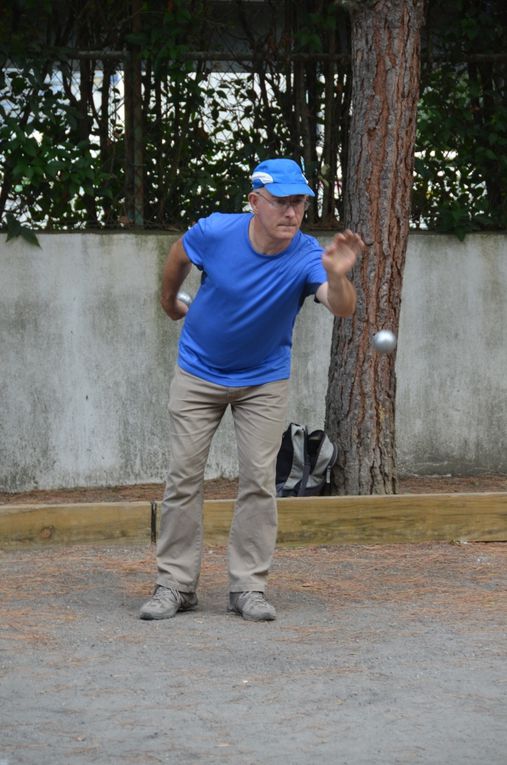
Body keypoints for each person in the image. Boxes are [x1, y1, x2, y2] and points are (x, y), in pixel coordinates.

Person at [140, 158, 364, 622]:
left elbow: (340, 307)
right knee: (183, 477)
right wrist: (168, 301)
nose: (292, 212)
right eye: (281, 201)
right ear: (254, 202)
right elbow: (180, 253)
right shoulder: (217, 232)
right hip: (199, 372)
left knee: (259, 481)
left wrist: (339, 275)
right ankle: (175, 585)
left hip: (262, 380)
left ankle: (248, 588)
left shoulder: (306, 255)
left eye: (299, 202)